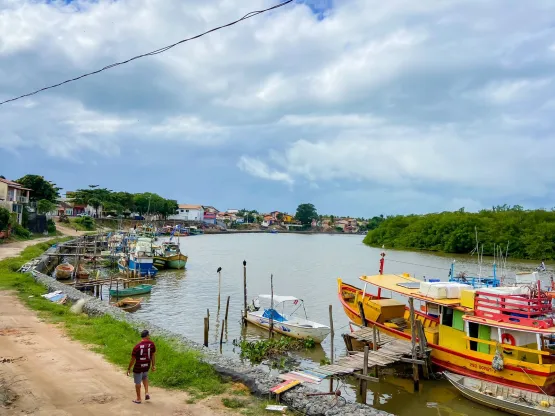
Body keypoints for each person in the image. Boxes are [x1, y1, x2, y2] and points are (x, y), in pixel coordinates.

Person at [127, 330, 156, 404]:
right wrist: (153, 365)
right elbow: (153, 355)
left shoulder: (137, 346)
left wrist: (129, 368)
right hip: (147, 365)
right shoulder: (151, 344)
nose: (149, 336)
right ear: (147, 336)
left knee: (137, 383)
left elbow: (133, 359)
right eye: (149, 335)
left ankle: (138, 399)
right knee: (145, 377)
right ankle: (146, 392)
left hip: (138, 367)